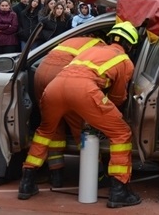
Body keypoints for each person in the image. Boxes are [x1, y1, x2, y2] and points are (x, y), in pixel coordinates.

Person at [19, 22, 142, 208]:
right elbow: (117, 97)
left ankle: (27, 182)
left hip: (54, 87)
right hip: (84, 91)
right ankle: (119, 190)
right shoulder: (125, 62)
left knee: (45, 132)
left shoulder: (90, 51)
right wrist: (107, 115)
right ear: (130, 46)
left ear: (110, 38)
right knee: (121, 134)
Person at [32, 35, 105, 188]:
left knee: (51, 125)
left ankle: (56, 174)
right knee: (80, 128)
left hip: (40, 73)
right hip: (62, 76)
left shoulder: (75, 39)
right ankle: (96, 174)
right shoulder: (100, 47)